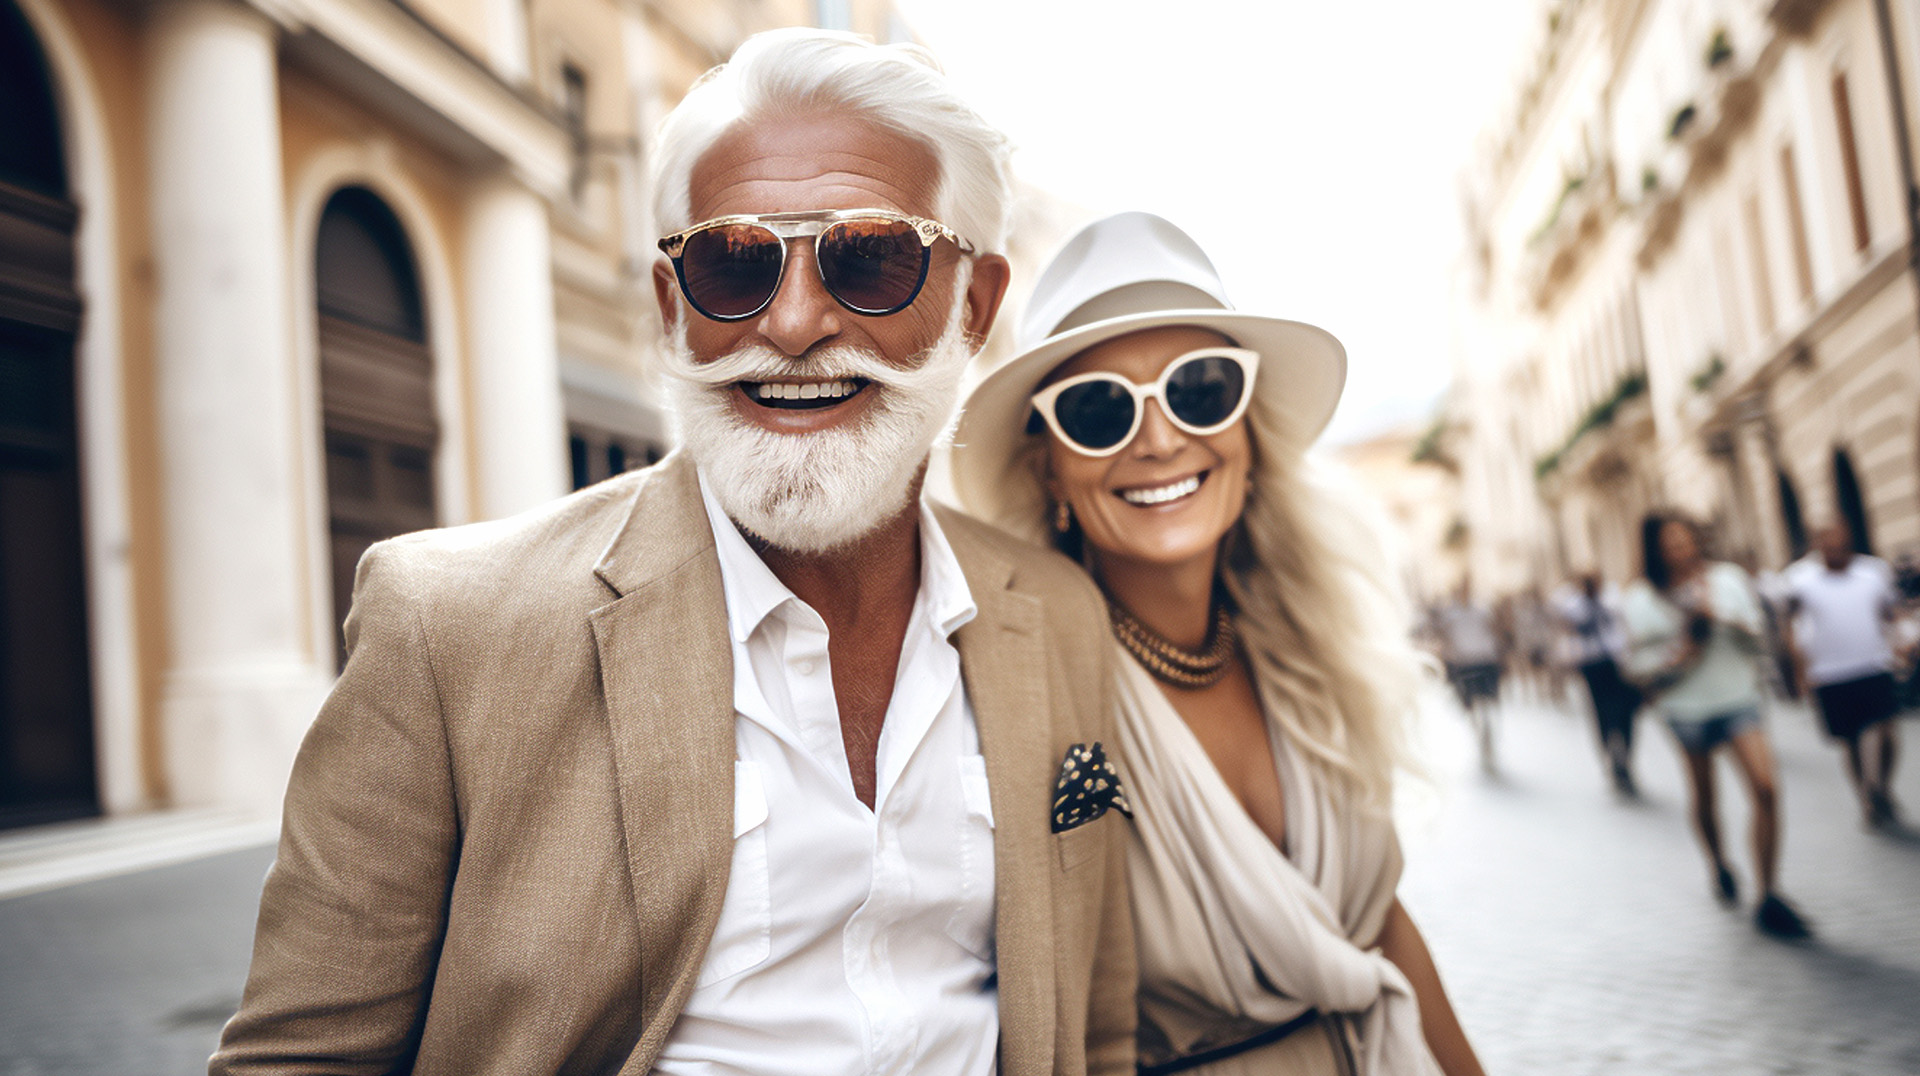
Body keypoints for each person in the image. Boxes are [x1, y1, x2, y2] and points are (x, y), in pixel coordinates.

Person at [211, 30, 1136, 1076]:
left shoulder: (1054, 615)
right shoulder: (448, 625)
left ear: (973, 305)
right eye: (732, 263)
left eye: (872, 255)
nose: (790, 323)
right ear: (670, 308)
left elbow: (1092, 1028)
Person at [953, 212, 1480, 1075]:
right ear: (1048, 465)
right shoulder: (1020, 698)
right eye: (1098, 411)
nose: (1159, 440)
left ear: (1245, 431)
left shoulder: (1309, 657)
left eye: (1200, 389)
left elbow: (1378, 928)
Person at [1620, 513, 1811, 939]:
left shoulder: (1727, 579)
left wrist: (1720, 617)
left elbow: (1759, 637)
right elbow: (1636, 666)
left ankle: (1768, 893)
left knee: (1766, 788)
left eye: (1685, 542)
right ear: (1655, 552)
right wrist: (1682, 650)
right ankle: (1719, 863)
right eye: (1670, 546)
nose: (1680, 552)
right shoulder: (1641, 598)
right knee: (1705, 797)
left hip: (1738, 697)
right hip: (1686, 708)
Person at [1782, 522, 1909, 827]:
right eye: (1827, 544)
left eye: (1839, 543)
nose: (1834, 550)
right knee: (1850, 741)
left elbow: (1891, 612)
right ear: (1817, 547)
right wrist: (1800, 671)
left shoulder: (1872, 571)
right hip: (1829, 674)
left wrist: (1900, 643)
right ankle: (1867, 796)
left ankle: (1879, 786)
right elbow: (1789, 623)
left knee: (1885, 731)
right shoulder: (1801, 579)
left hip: (1873, 665)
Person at [1553, 572, 1640, 796]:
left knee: (1625, 710)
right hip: (1592, 665)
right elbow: (1566, 629)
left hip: (1617, 663)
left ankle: (1624, 756)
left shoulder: (1612, 599)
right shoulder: (1574, 606)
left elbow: (1625, 624)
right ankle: (1611, 754)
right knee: (1602, 712)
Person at [1428, 582, 1504, 772]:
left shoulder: (1481, 610)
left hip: (1485, 659)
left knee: (1488, 703)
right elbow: (1443, 636)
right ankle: (1479, 736)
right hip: (1465, 663)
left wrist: (1500, 653)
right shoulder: (1450, 615)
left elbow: (1494, 629)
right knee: (1471, 706)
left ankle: (1488, 738)